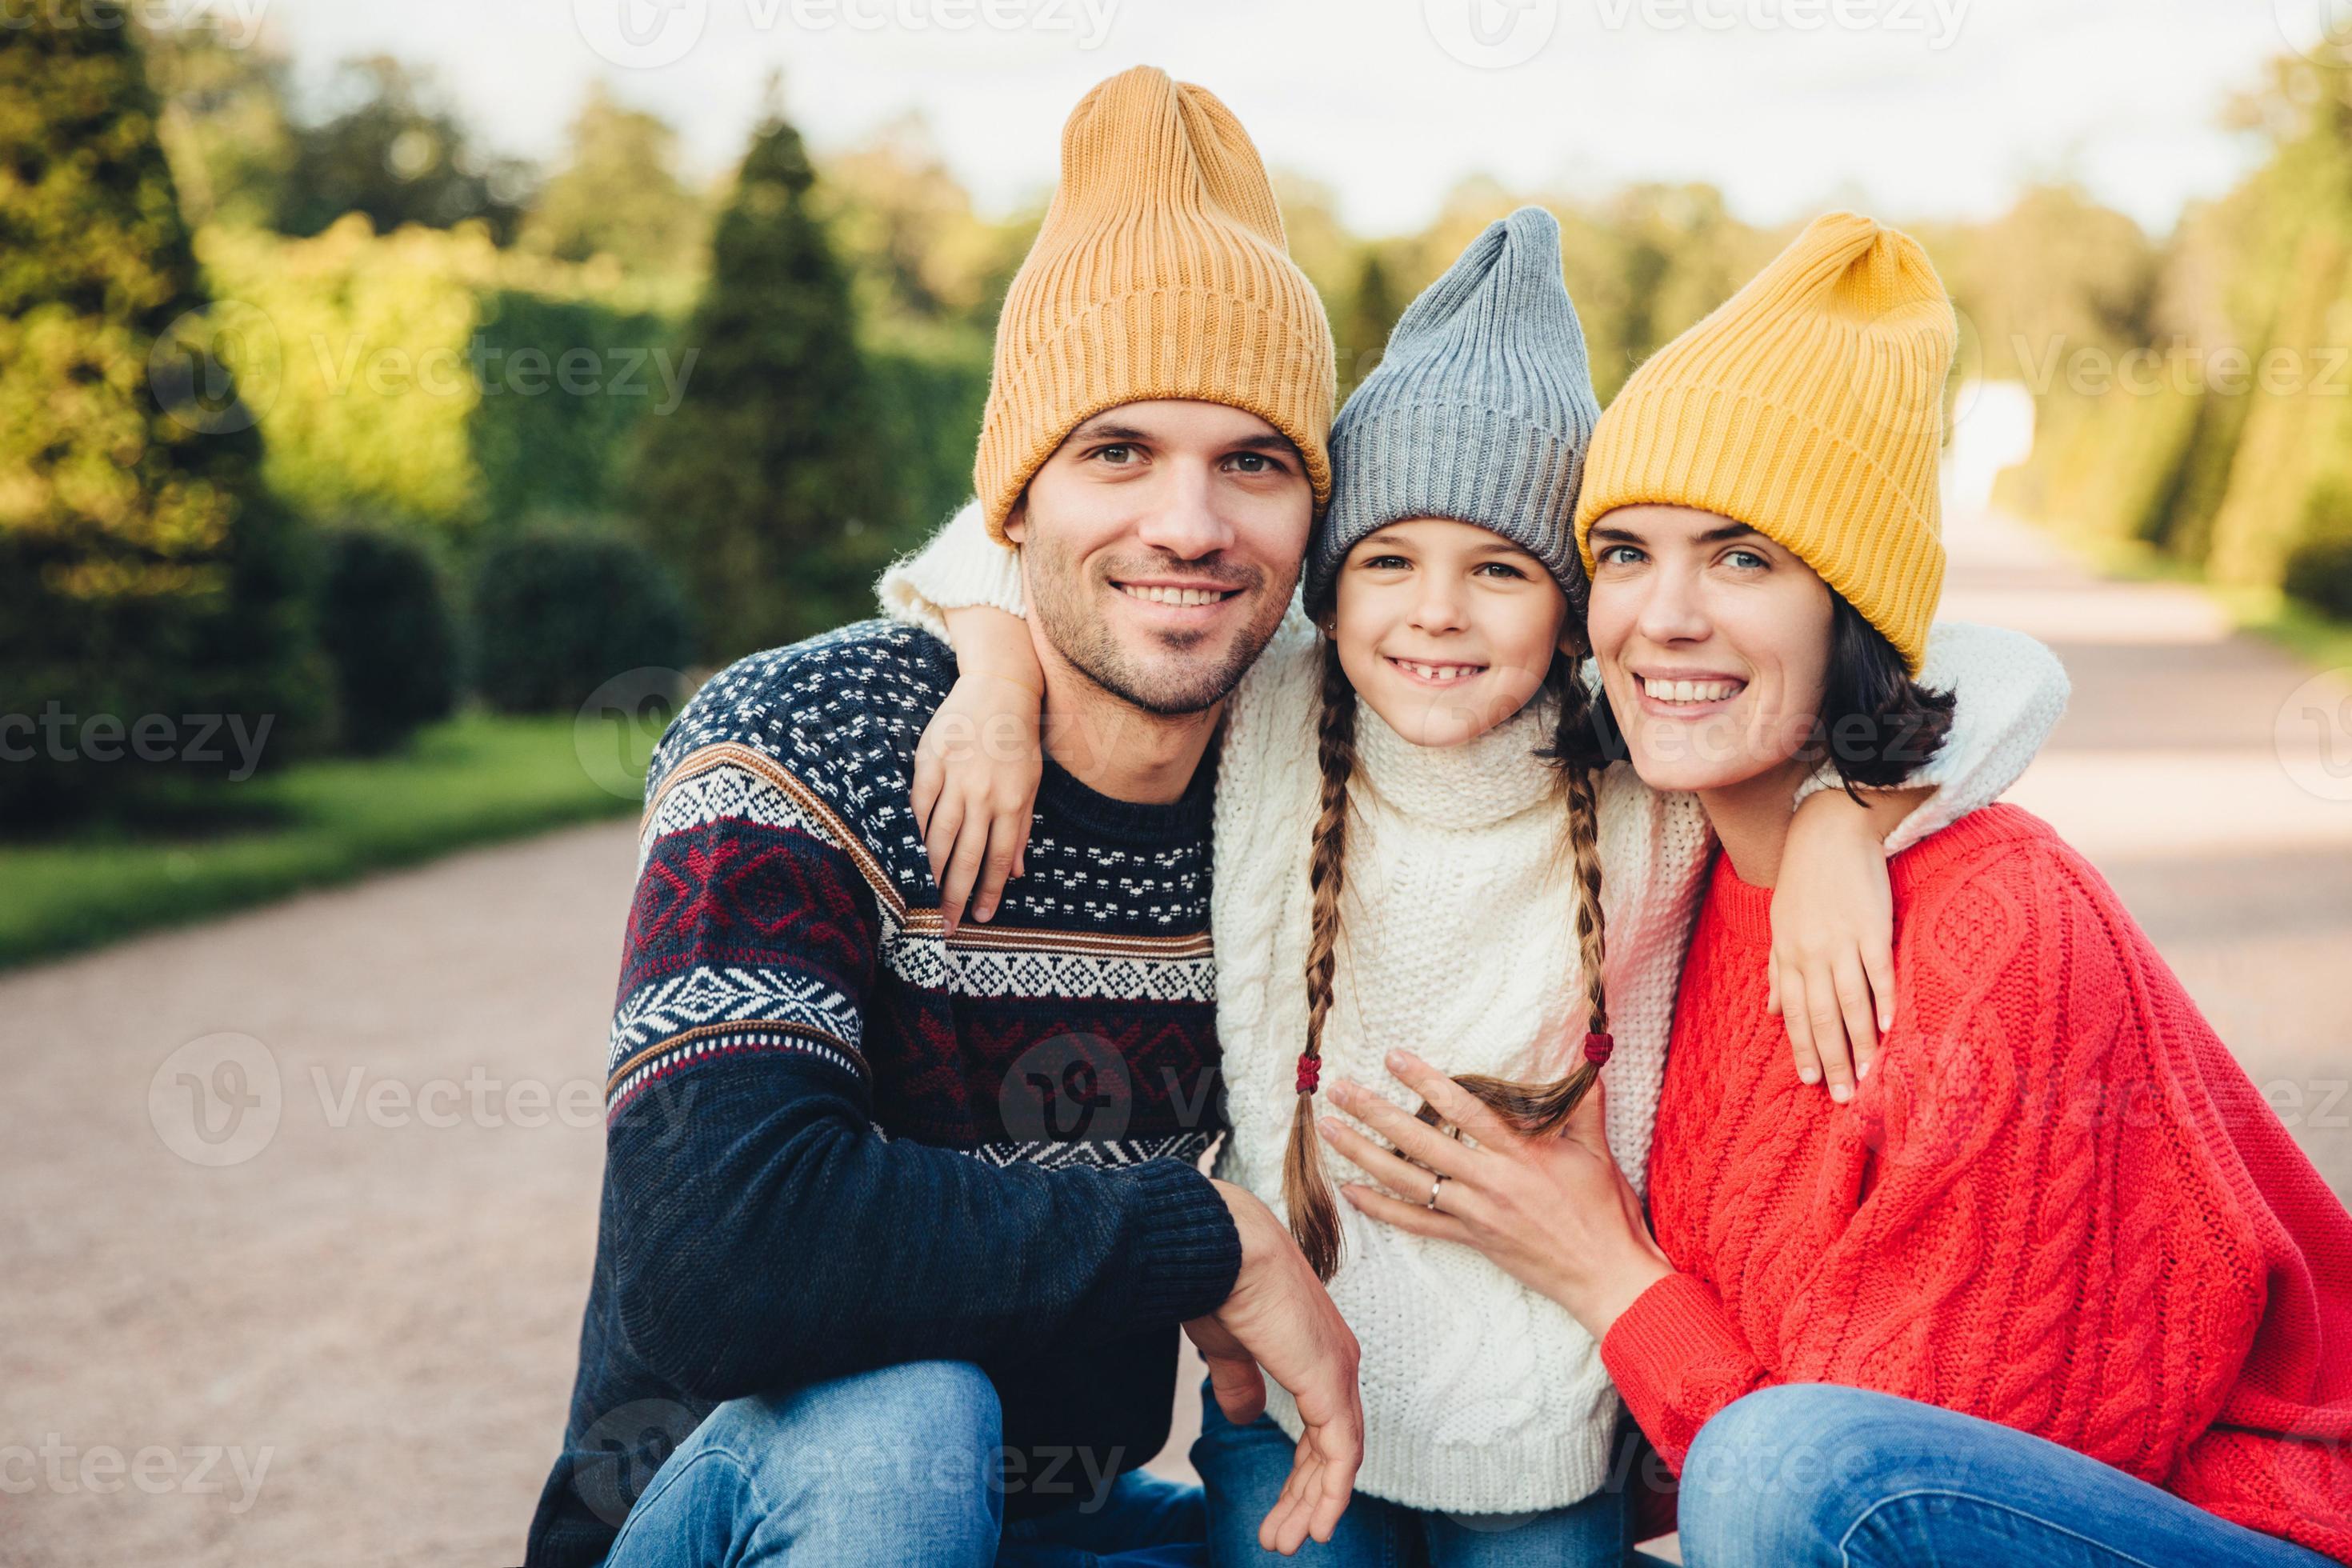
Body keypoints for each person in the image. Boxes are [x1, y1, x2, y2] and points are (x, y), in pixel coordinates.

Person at [882, 206, 2067, 1563]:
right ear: (1330, 590)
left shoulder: (1628, 757)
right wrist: (990, 672)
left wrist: (1843, 820)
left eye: (1499, 571)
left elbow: (2008, 670)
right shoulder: (1276, 707)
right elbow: (1001, 532)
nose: (1436, 612)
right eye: (1388, 561)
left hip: (1548, 1423)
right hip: (1292, 1389)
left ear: (1571, 604)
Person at [1319, 212, 2352, 1567]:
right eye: (1625, 553)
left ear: (1849, 609)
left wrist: (1605, 1271)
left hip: (2226, 1528)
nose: (1664, 617)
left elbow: (1874, 1483)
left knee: (1781, 1461)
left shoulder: (1997, 929)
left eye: (1742, 558)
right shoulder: (1677, 868)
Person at [523, 66, 1366, 1568]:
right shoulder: (802, 737)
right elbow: (714, 1258)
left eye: (1253, 462)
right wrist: (1205, 1231)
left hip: (1060, 1521)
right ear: (1014, 505)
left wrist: (1840, 810)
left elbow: (1639, 689)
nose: (1190, 523)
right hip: (757, 1507)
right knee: (908, 1418)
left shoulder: (1298, 780)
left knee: (1362, 1534)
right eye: (1118, 452)